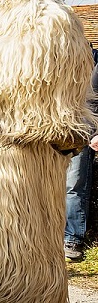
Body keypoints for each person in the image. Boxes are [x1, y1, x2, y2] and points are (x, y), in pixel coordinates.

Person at [64, 62, 98, 261]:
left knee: (74, 185)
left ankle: (72, 238)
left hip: (83, 130)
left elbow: (93, 101)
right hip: (65, 128)